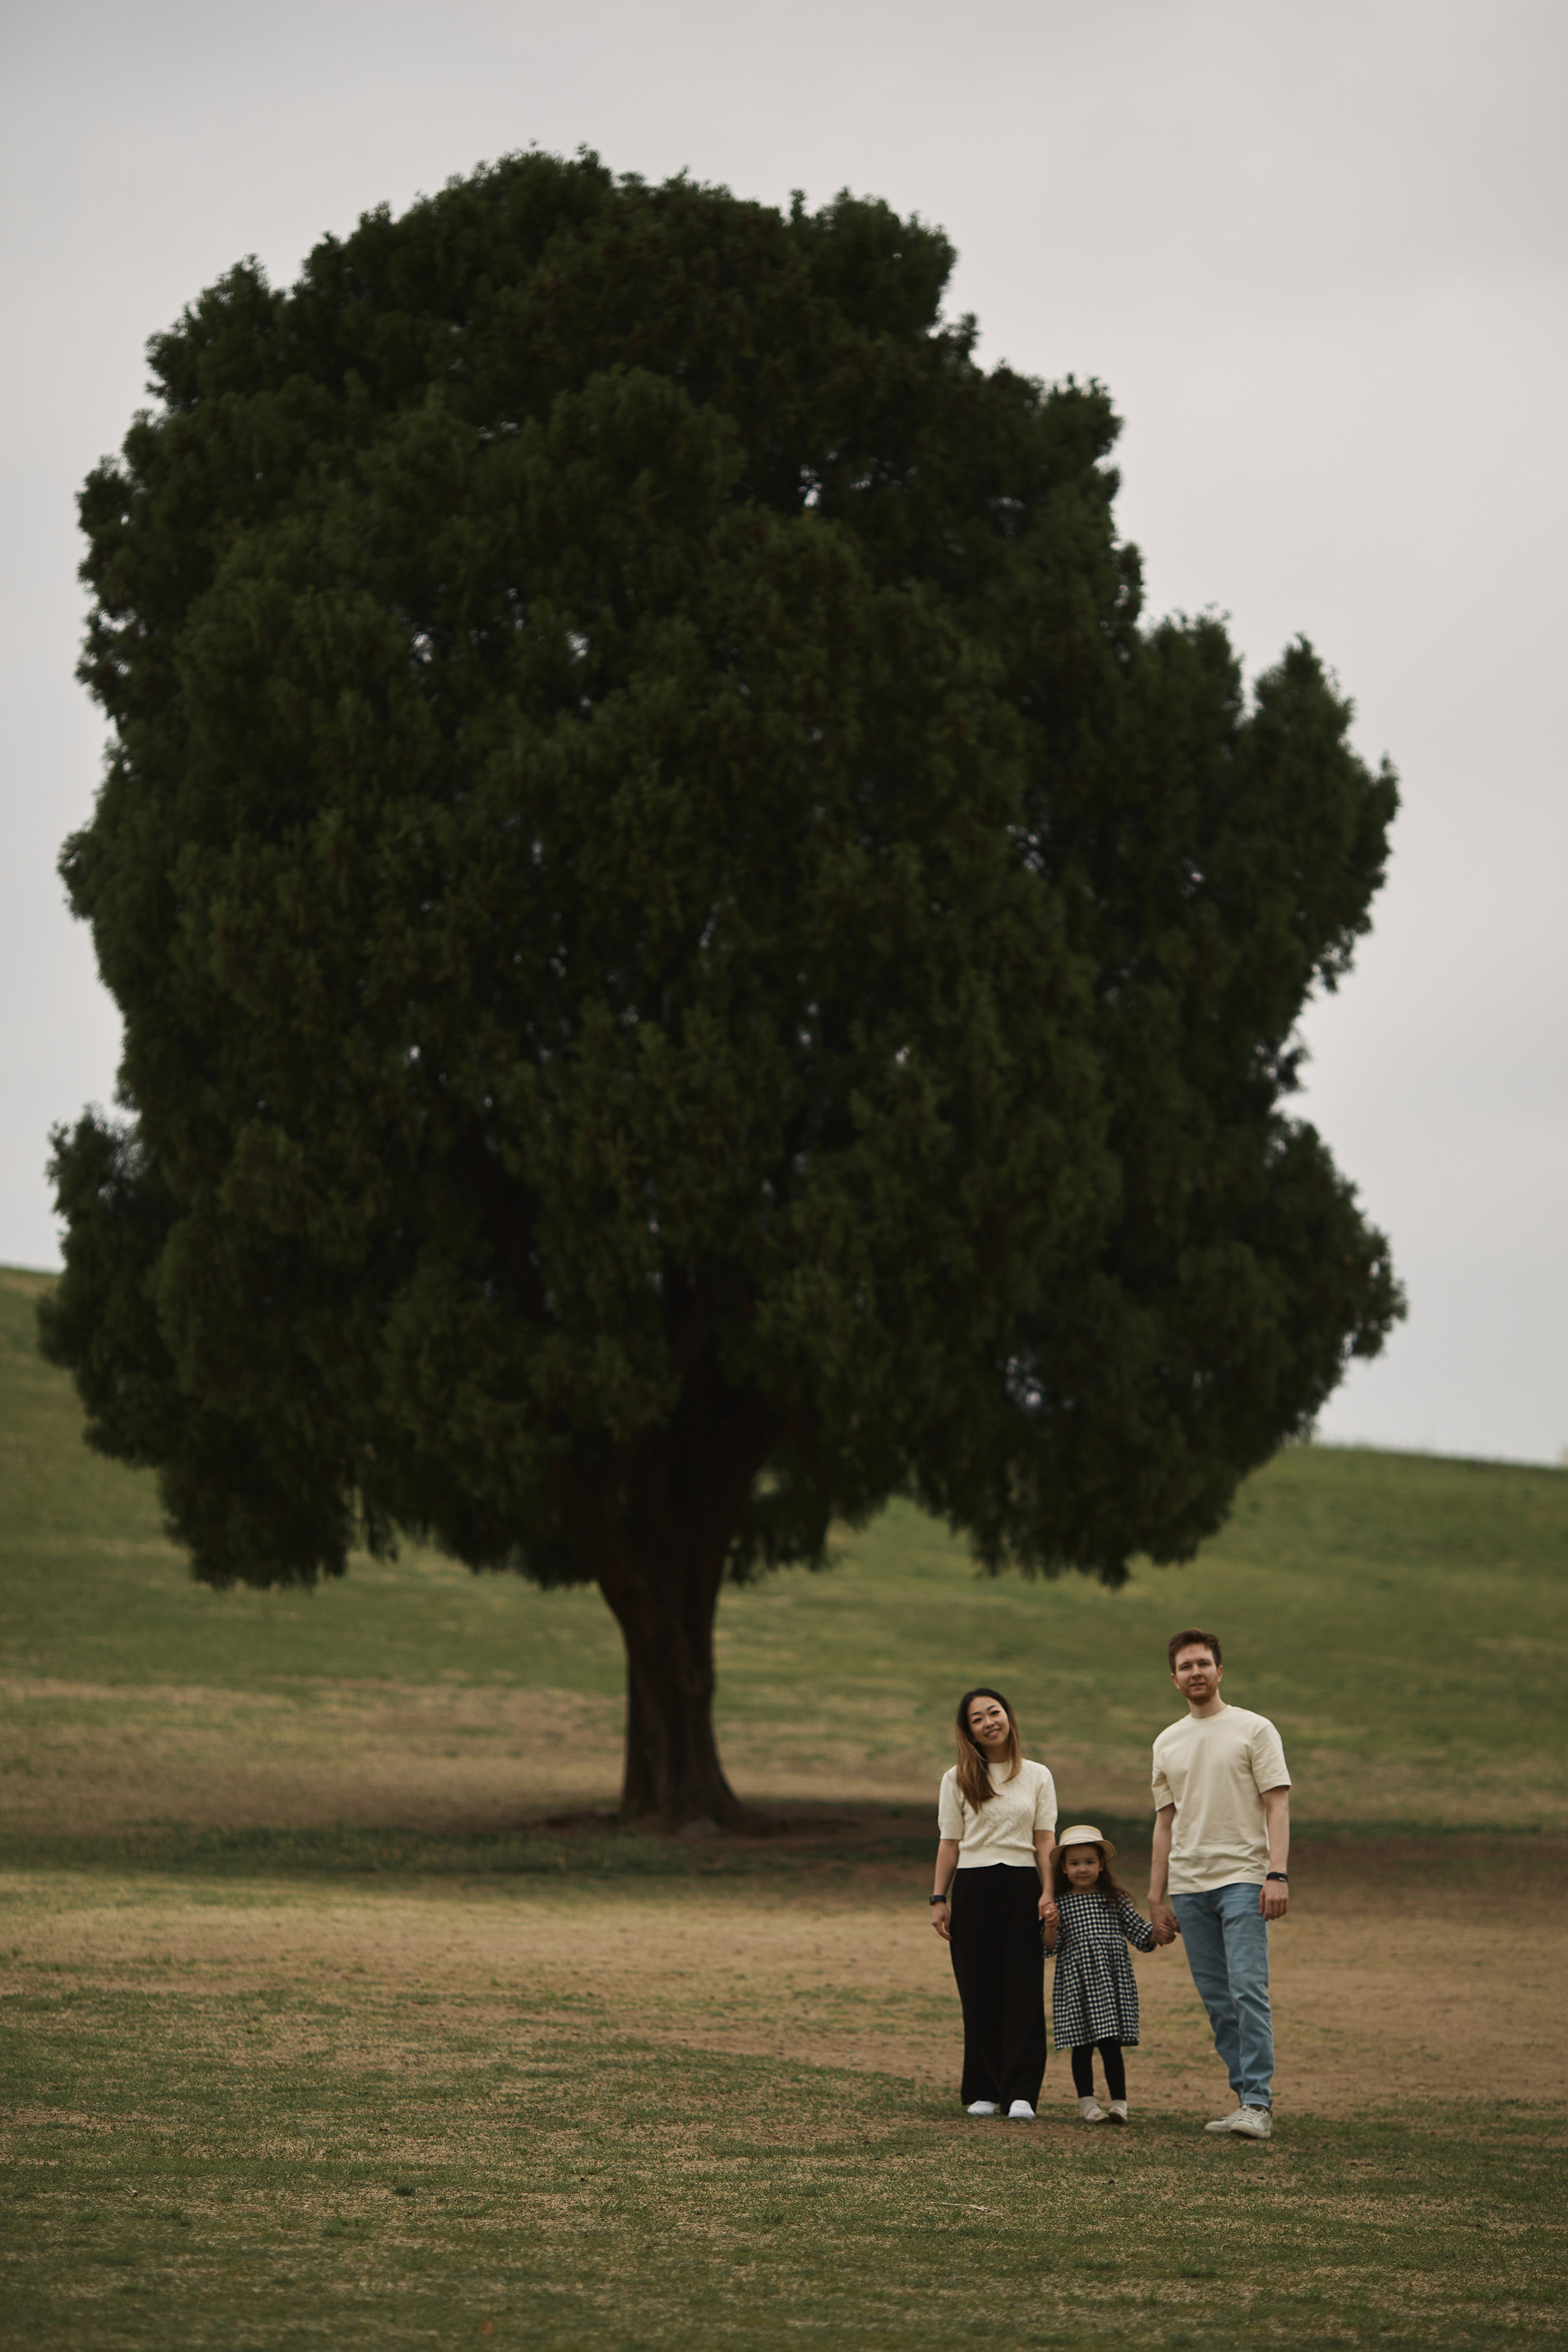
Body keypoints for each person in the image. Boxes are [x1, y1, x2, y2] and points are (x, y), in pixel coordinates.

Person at [1147, 1628, 1291, 2141]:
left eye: (1204, 1663)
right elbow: (1165, 1823)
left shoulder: (1254, 1730)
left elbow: (1277, 1804)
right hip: (1189, 1887)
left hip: (1244, 1880)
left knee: (1248, 1989)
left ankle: (1258, 2102)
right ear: (1175, 1679)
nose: (1196, 1673)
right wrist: (1156, 1897)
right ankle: (1243, 2099)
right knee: (1216, 1998)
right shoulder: (1168, 1741)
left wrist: (1277, 1874)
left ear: (1220, 1670)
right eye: (1186, 1667)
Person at [930, 1687, 1057, 2120]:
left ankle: (1021, 2093)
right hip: (973, 1887)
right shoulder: (957, 1778)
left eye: (994, 1712)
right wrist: (938, 1899)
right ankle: (984, 2088)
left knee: (1022, 1989)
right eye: (977, 1719)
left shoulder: (1038, 1775)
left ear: (1008, 1716)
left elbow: (1045, 1840)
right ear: (969, 1731)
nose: (989, 1722)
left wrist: (1048, 1889)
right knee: (978, 1989)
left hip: (1022, 1886)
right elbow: (950, 1843)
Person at [1041, 1825, 1161, 2125]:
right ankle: (1088, 2105)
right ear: (1064, 1869)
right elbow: (1048, 1948)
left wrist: (1166, 1929)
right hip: (1076, 1983)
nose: (1083, 1869)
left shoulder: (1115, 1900)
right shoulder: (1060, 1904)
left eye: (1089, 1862)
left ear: (1102, 1865)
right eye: (1075, 1863)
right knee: (1082, 2045)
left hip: (1111, 1983)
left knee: (1110, 2043)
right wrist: (1051, 1926)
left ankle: (1120, 2104)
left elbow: (1142, 1935)